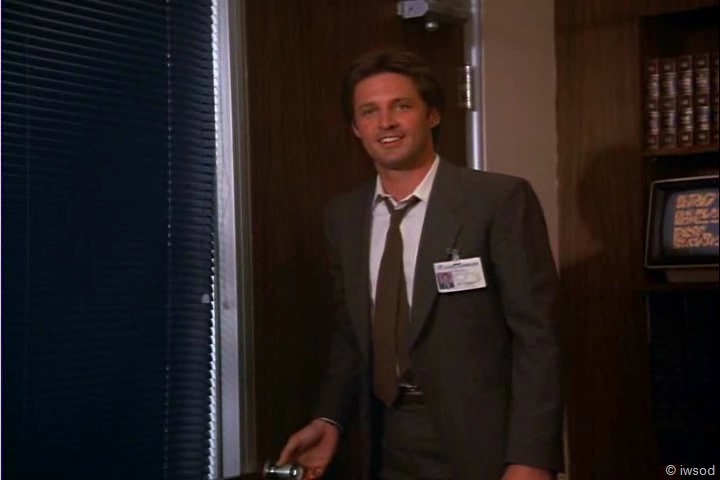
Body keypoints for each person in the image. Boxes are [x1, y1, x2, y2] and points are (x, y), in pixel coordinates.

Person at [277, 47, 563, 480]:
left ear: (432, 115)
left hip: (481, 444)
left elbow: (538, 338)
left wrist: (532, 457)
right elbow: (351, 333)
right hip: (383, 440)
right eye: (369, 111)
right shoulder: (344, 216)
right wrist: (329, 418)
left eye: (401, 106)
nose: (386, 122)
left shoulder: (497, 201)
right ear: (356, 128)